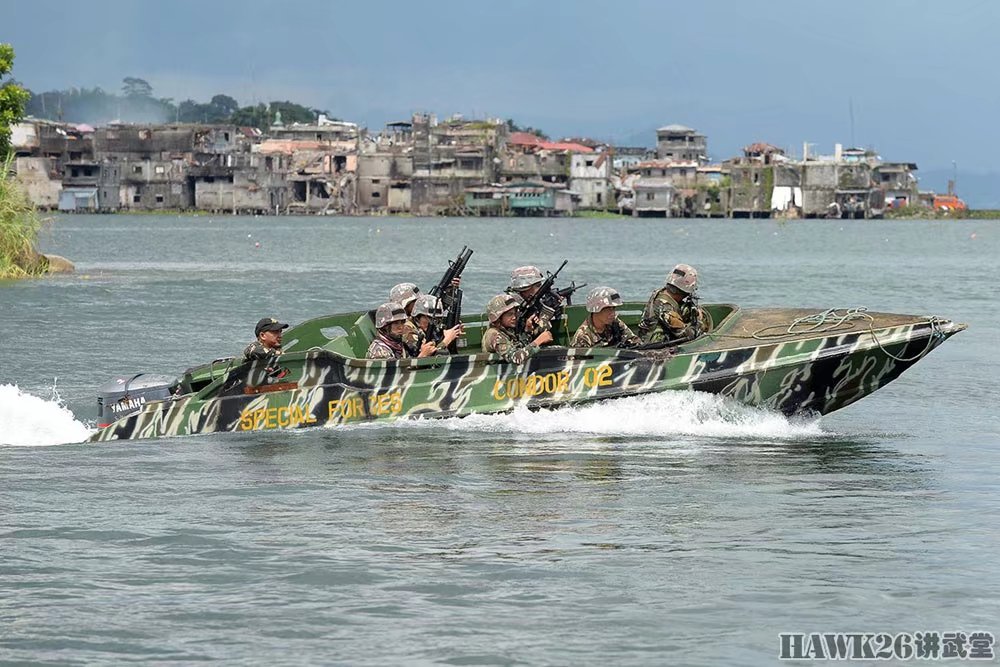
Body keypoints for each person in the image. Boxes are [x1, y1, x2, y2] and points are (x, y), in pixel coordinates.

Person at [637, 263, 713, 344]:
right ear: (683, 292)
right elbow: (687, 335)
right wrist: (699, 322)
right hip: (654, 346)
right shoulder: (665, 307)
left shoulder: (662, 293)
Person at [481, 293, 553, 364]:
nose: (514, 317)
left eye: (515, 313)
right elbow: (516, 358)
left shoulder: (507, 330)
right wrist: (539, 341)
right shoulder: (494, 335)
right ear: (498, 318)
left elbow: (520, 347)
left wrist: (527, 331)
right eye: (510, 314)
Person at [570, 287, 641, 349]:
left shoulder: (614, 322)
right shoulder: (583, 336)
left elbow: (633, 340)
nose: (613, 313)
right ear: (596, 309)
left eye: (613, 308)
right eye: (608, 309)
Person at [367, 302, 436, 360]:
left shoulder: (398, 344)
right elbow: (397, 374)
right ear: (385, 327)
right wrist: (422, 356)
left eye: (402, 322)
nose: (401, 327)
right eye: (396, 323)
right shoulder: (380, 351)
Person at [506, 265, 563, 334]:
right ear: (525, 288)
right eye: (538, 285)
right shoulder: (511, 307)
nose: (540, 288)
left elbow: (540, 331)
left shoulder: (529, 303)